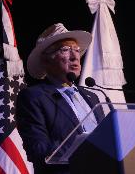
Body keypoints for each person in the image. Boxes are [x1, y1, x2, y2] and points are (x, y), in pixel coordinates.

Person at [16, 23, 105, 174]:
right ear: (46, 61)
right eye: (65, 49)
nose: (75, 56)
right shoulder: (33, 97)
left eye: (76, 50)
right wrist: (82, 147)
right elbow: (37, 149)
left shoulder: (93, 97)